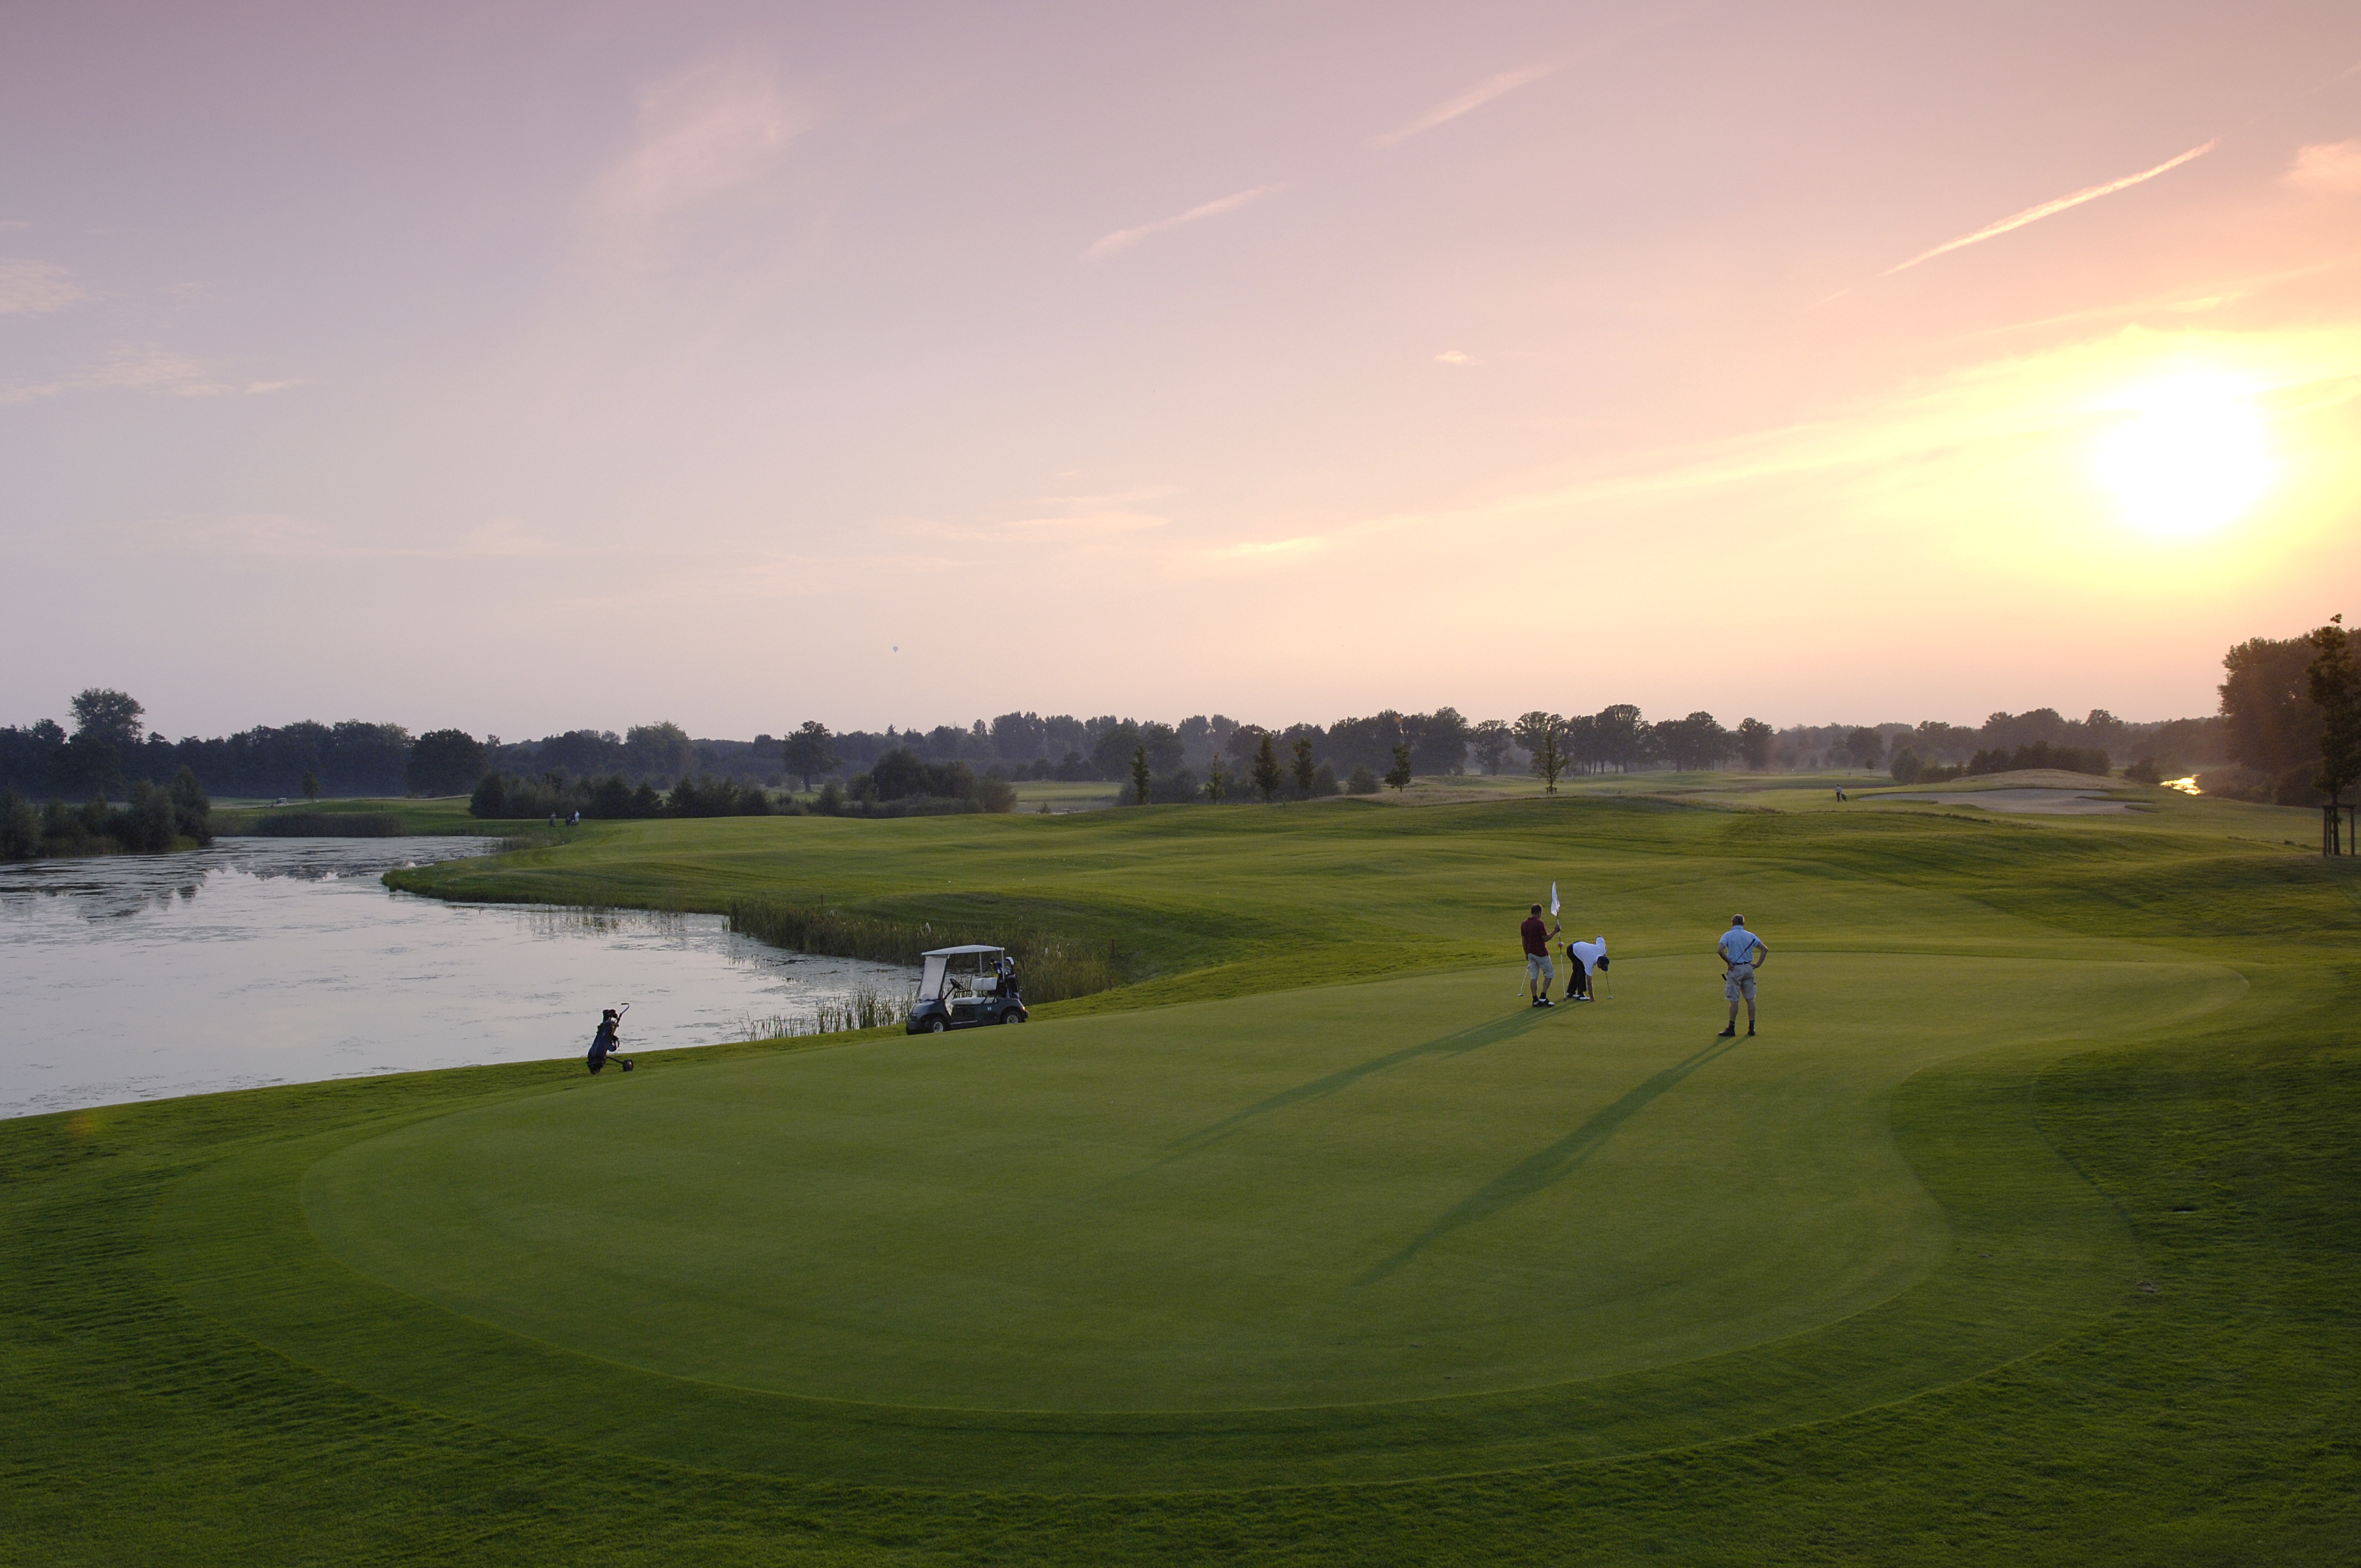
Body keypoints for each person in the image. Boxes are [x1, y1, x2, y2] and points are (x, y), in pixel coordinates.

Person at [1717, 915, 1767, 1038]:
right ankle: (1751, 1028)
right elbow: (1764, 949)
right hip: (1748, 968)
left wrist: (1729, 962)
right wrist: (1757, 964)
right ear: (1743, 923)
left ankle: (1732, 1028)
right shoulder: (1750, 935)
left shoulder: (1728, 935)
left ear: (1733, 923)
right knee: (1750, 999)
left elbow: (1720, 950)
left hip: (1735, 969)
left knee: (1734, 1000)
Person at [1521, 903, 1560, 1007]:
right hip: (1541, 953)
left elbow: (1524, 941)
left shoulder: (1524, 924)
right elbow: (1545, 938)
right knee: (1549, 974)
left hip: (1530, 953)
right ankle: (1543, 997)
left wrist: (1527, 954)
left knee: (1534, 976)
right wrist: (1555, 932)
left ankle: (1535, 1000)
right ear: (1539, 912)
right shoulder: (1539, 923)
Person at [586, 1008, 634, 1073]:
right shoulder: (608, 1027)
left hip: (593, 1055)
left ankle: (595, 1068)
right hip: (600, 1055)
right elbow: (612, 1049)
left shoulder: (603, 1027)